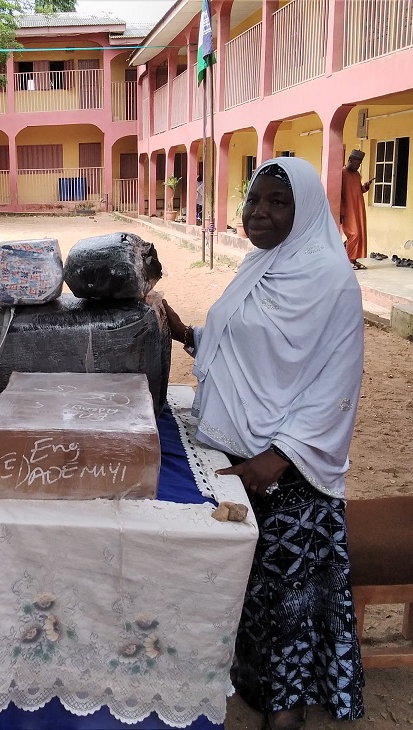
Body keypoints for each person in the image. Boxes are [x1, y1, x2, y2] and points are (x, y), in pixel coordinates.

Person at [163, 157, 365, 730]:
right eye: (255, 200)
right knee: (248, 587)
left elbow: (336, 383)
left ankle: (289, 710)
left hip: (289, 471)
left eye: (278, 202)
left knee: (288, 596)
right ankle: (252, 683)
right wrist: (188, 334)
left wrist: (278, 458)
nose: (260, 213)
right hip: (237, 451)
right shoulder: (261, 264)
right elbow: (246, 341)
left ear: (304, 211)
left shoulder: (330, 279)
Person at [340, 149, 375, 270]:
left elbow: (358, 190)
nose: (358, 166)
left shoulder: (356, 174)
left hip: (358, 208)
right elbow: (339, 194)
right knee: (353, 234)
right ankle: (347, 260)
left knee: (359, 234)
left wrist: (365, 187)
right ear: (350, 160)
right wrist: (341, 212)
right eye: (357, 163)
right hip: (348, 210)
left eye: (360, 164)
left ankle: (353, 260)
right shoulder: (342, 173)